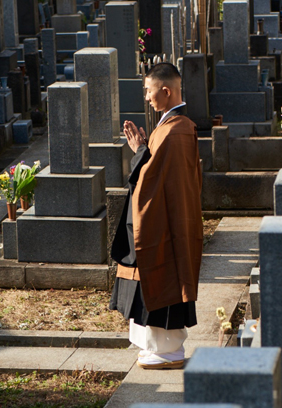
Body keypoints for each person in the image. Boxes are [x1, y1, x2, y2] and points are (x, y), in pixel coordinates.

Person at [109, 63, 203, 370]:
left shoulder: (175, 131)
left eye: (149, 90)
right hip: (164, 219)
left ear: (166, 91)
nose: (147, 97)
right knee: (157, 278)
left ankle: (168, 350)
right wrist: (144, 150)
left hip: (165, 223)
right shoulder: (172, 126)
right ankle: (158, 348)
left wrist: (138, 152)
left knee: (162, 277)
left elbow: (149, 177)